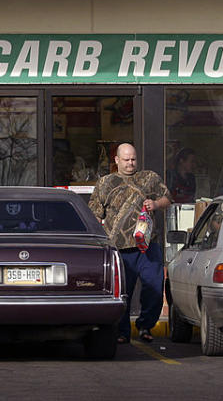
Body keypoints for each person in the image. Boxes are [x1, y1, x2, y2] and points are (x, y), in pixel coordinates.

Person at [88, 143, 171, 344]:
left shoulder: (149, 178)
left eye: (133, 159)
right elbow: (94, 213)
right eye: (126, 160)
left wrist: (156, 204)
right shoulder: (105, 183)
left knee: (154, 287)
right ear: (116, 160)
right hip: (119, 250)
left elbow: (167, 198)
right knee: (123, 292)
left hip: (148, 247)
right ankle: (122, 332)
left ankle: (145, 326)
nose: (130, 163)